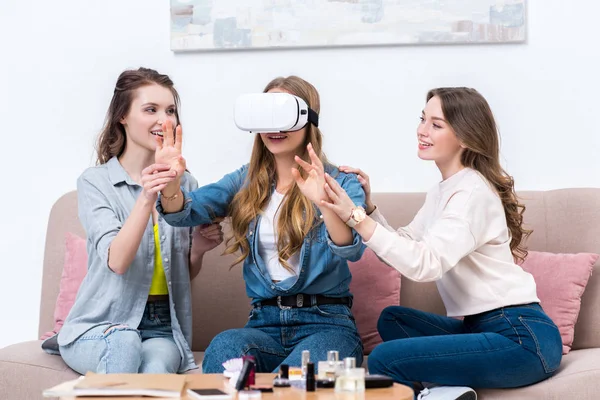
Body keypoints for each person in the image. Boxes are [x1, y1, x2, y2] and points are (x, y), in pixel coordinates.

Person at [320, 87, 562, 398]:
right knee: (393, 319)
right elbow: (403, 247)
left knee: (384, 358)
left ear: (465, 135)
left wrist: (355, 218)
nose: (422, 130)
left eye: (437, 124)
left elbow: (425, 265)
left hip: (521, 338)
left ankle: (435, 391)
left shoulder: (470, 193)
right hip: (481, 327)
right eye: (423, 120)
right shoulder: (444, 190)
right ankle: (448, 391)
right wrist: (366, 208)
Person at [156, 76, 366, 373]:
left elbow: (351, 251)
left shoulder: (343, 181)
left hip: (327, 323)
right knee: (223, 349)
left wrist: (324, 202)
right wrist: (171, 183)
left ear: (308, 120)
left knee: (294, 379)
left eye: (284, 116)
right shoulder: (244, 182)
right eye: (267, 117)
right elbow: (183, 213)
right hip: (263, 323)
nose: (274, 128)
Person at [56, 67, 223, 374]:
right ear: (122, 116)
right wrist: (148, 196)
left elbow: (181, 272)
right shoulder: (95, 183)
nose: (165, 120)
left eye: (170, 110)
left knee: (157, 371)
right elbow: (117, 261)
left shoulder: (186, 185)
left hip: (162, 327)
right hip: (100, 323)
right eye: (151, 110)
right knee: (123, 343)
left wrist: (197, 250)